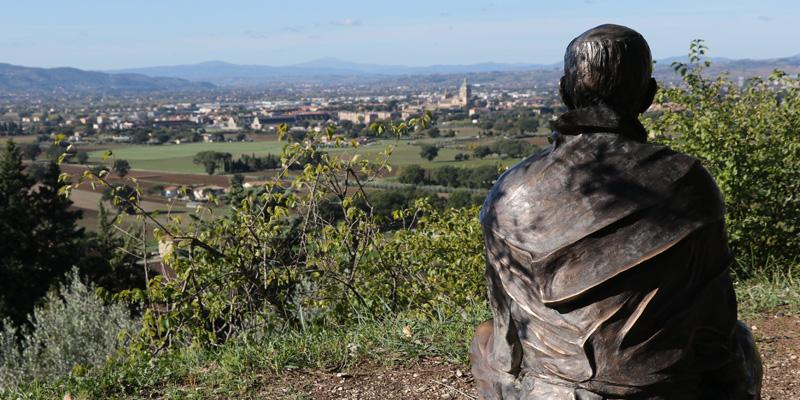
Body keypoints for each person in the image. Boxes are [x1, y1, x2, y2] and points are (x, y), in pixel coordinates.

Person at [470, 24, 762, 399]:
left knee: (484, 339)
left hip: (554, 391)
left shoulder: (511, 192)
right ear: (650, 95)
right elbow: (715, 323)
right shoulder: (689, 182)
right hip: (666, 389)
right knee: (739, 336)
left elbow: (508, 336)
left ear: (564, 92)